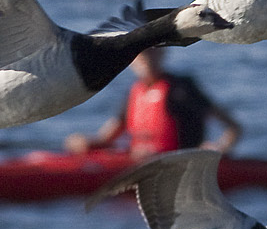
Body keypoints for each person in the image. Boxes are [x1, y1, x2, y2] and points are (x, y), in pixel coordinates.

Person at [64, 46, 241, 160]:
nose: (147, 59)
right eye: (141, 55)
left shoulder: (181, 88)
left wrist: (219, 149)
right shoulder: (134, 92)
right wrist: (87, 143)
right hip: (139, 161)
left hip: (177, 163)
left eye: (151, 52)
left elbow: (233, 127)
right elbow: (108, 136)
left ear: (162, 54)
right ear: (132, 61)